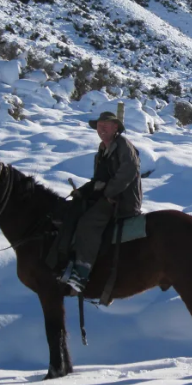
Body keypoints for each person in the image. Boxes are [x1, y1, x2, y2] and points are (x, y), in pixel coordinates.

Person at [62, 111, 142, 293]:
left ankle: (82, 273)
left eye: (106, 125)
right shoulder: (102, 149)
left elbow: (128, 172)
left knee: (88, 223)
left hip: (122, 200)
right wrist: (83, 191)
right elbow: (98, 178)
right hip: (108, 195)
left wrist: (107, 193)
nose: (102, 128)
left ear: (116, 128)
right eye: (99, 125)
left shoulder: (123, 145)